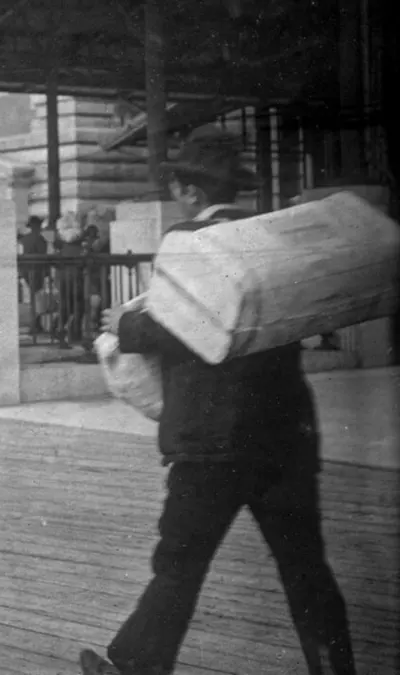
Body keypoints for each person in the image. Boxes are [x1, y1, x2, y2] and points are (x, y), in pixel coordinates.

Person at [82, 126, 356, 675]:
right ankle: (333, 668)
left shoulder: (189, 241)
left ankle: (136, 669)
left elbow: (176, 326)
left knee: (180, 564)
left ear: (188, 192)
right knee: (305, 566)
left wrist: (125, 324)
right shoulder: (266, 240)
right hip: (287, 434)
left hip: (210, 439)